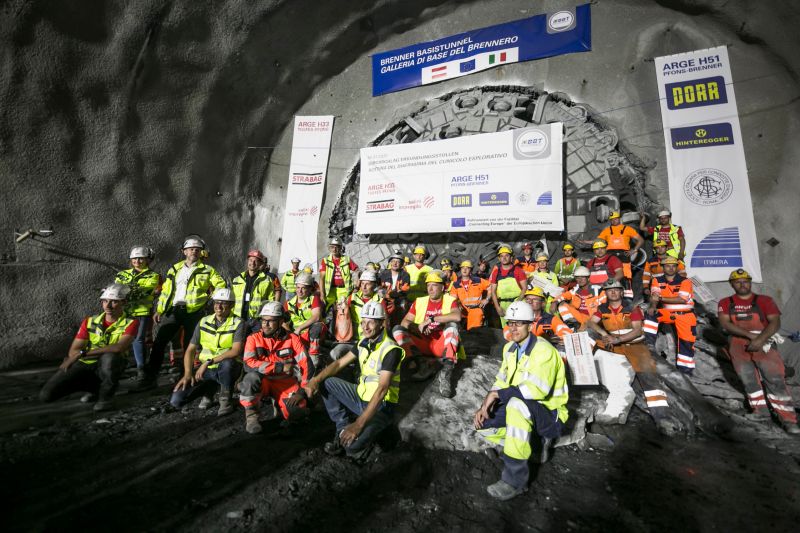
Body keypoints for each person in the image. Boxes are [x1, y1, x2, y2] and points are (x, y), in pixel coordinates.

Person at [474, 301, 568, 501]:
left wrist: (497, 396)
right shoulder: (509, 348)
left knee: (517, 406)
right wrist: (485, 404)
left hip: (550, 414)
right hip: (524, 407)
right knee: (483, 424)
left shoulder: (544, 351)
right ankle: (531, 446)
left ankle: (515, 481)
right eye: (510, 323)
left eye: (519, 323)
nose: (514, 328)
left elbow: (535, 390)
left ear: (530, 325)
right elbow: (501, 379)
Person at [304, 301, 404, 461]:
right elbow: (338, 363)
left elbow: (382, 390)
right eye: (363, 321)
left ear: (381, 323)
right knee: (326, 382)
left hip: (381, 407)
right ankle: (342, 429)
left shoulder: (390, 349)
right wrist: (314, 380)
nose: (365, 326)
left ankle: (377, 440)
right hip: (360, 397)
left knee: (351, 448)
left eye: (371, 322)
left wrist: (358, 425)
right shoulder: (363, 343)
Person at [587, 280, 679, 433]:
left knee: (649, 379)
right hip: (615, 347)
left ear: (622, 292)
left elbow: (637, 330)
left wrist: (617, 339)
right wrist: (604, 334)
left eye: (616, 290)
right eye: (609, 290)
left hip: (635, 346)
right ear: (606, 293)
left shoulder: (632, 308)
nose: (613, 293)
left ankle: (663, 417)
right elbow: (592, 322)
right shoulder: (602, 308)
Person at [136, 237, 226, 390]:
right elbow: (166, 291)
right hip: (174, 311)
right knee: (159, 343)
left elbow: (221, 285)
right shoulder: (175, 269)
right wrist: (160, 309)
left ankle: (185, 377)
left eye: (197, 249)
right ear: (184, 252)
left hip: (194, 312)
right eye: (191, 249)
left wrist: (209, 301)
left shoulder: (207, 270)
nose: (194, 251)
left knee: (189, 346)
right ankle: (150, 379)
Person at [718, 269, 799, 434]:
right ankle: (760, 412)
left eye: (746, 281)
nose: (742, 284)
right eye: (738, 282)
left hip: (764, 343)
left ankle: (789, 420)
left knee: (775, 379)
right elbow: (726, 324)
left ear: (750, 282)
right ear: (732, 284)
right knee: (748, 380)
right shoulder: (725, 302)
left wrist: (760, 340)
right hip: (738, 344)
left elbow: (774, 322)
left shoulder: (764, 300)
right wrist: (749, 336)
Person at [40, 284, 137, 411]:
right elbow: (73, 350)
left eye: (114, 302)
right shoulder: (90, 321)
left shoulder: (131, 322)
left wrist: (82, 353)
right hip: (87, 362)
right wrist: (79, 355)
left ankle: (106, 397)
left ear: (124, 302)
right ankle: (95, 389)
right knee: (46, 396)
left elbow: (118, 348)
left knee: (110, 358)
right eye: (105, 301)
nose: (107, 306)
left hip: (109, 363)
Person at [239, 302, 313, 434]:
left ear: (280, 321)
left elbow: (307, 365)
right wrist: (278, 367)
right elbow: (248, 364)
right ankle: (252, 417)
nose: (265, 324)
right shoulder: (253, 338)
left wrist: (301, 391)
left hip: (286, 384)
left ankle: (282, 408)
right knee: (250, 379)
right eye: (263, 320)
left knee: (297, 413)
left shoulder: (293, 339)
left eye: (270, 321)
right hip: (264, 380)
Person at [170, 288, 245, 416]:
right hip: (206, 370)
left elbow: (235, 351)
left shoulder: (239, 323)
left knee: (227, 364)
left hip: (228, 368)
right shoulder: (204, 321)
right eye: (216, 302)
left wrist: (208, 362)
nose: (219, 306)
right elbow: (190, 350)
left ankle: (225, 400)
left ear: (232, 305)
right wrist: (187, 374)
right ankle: (209, 390)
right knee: (177, 401)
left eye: (224, 303)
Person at [392, 270, 465, 398]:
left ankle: (446, 373)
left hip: (440, 345)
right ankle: (418, 364)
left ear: (442, 287)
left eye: (434, 285)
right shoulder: (419, 301)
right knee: (397, 329)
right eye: (428, 285)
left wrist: (431, 319)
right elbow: (405, 322)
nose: (430, 289)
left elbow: (457, 316)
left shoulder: (450, 300)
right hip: (423, 344)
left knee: (452, 327)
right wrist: (417, 328)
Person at [644, 256, 697, 374]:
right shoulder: (657, 280)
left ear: (677, 267)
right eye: (667, 266)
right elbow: (654, 296)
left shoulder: (685, 281)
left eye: (673, 266)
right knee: (651, 315)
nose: (671, 268)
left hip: (685, 315)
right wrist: (652, 306)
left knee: (686, 343)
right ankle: (649, 345)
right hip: (667, 313)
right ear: (662, 267)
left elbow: (682, 299)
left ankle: (686, 371)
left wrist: (661, 298)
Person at [115, 246, 160, 379]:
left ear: (147, 260)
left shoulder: (153, 276)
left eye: (141, 258)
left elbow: (145, 291)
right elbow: (118, 290)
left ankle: (141, 368)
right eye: (134, 258)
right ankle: (120, 366)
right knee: (120, 339)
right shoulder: (122, 274)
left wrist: (128, 290)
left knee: (138, 340)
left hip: (142, 312)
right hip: (123, 312)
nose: (137, 261)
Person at [330, 270, 387, 361]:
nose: (364, 287)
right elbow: (342, 316)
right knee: (334, 354)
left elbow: (385, 325)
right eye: (362, 283)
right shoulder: (352, 297)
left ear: (374, 285)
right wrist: (339, 309)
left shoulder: (380, 301)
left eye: (367, 284)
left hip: (370, 341)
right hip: (351, 340)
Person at [595, 212, 643, 299]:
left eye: (616, 218)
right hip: (610, 256)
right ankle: (608, 297)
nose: (614, 220)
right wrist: (586, 242)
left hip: (624, 255)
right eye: (612, 219)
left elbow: (640, 240)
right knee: (610, 276)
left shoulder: (627, 229)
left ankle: (627, 298)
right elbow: (597, 241)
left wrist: (634, 250)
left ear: (619, 218)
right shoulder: (606, 230)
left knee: (625, 276)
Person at [502, 287, 572, 346]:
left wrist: (553, 339)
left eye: (534, 299)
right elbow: (506, 332)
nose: (529, 302)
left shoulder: (550, 319)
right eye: (527, 299)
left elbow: (567, 334)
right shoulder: (518, 317)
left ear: (543, 303)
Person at [284, 272, 326, 367]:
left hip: (311, 333)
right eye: (298, 287)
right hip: (296, 335)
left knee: (318, 326)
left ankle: (314, 358)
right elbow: (283, 323)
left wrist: (299, 329)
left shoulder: (314, 299)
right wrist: (290, 333)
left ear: (310, 289)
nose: (300, 291)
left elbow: (316, 316)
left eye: (303, 288)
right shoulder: (289, 303)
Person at [231, 249, 277, 331]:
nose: (252, 263)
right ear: (247, 261)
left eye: (256, 261)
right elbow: (231, 299)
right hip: (237, 318)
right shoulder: (237, 279)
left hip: (256, 320)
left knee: (253, 342)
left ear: (260, 264)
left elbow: (270, 300)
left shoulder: (267, 280)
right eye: (250, 260)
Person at [489, 246, 527, 326]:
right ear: (499, 258)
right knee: (507, 330)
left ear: (511, 257)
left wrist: (517, 302)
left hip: (518, 302)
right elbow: (493, 292)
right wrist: (497, 307)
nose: (504, 258)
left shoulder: (518, 270)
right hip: (503, 305)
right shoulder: (496, 272)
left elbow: (524, 288)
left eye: (507, 255)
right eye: (502, 256)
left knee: (520, 328)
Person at [450, 260, 491, 330]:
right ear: (460, 269)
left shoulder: (478, 281)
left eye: (467, 268)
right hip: (463, 312)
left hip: (475, 310)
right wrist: (458, 304)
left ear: (471, 270)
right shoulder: (455, 285)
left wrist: (487, 299)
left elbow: (491, 287)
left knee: (474, 334)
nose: (465, 270)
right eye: (463, 268)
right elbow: (453, 299)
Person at [319, 237, 358, 310]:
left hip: (344, 289)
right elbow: (322, 278)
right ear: (329, 248)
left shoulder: (347, 259)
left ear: (340, 248)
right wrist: (322, 293)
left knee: (343, 310)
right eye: (332, 247)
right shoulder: (325, 261)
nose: (334, 249)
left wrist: (356, 284)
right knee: (325, 309)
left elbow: (357, 270)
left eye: (337, 247)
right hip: (330, 290)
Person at [379, 253, 411, 325]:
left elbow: (404, 290)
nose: (395, 263)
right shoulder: (383, 274)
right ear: (390, 262)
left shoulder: (405, 275)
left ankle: (400, 326)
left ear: (402, 264)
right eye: (393, 261)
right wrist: (384, 294)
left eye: (398, 262)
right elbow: (378, 287)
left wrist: (391, 295)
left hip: (398, 299)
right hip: (384, 298)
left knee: (403, 306)